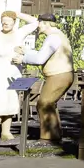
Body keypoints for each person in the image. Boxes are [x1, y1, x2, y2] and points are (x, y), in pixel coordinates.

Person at [23, 15, 74, 145]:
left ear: (46, 23)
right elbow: (42, 54)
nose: (38, 26)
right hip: (61, 74)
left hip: (59, 74)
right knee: (49, 104)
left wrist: (23, 58)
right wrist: (26, 52)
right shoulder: (58, 35)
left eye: (39, 23)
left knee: (44, 103)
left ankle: (48, 137)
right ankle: (55, 134)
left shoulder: (53, 38)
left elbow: (40, 59)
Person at [0, 13, 30, 141]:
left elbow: (35, 22)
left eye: (9, 21)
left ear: (14, 22)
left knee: (11, 101)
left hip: (13, 74)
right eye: (3, 21)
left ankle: (6, 131)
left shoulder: (19, 34)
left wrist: (17, 13)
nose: (6, 23)